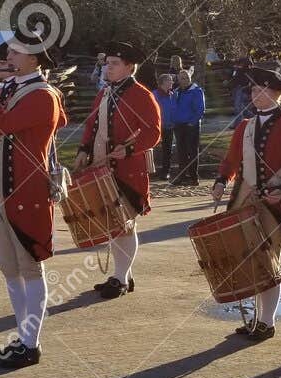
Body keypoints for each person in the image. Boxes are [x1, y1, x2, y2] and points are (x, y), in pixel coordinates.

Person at [0, 37, 69, 369]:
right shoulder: (12, 88)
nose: (7, 56)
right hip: (3, 186)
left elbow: (2, 123)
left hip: (27, 190)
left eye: (15, 52)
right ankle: (22, 337)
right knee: (11, 269)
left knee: (29, 266)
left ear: (34, 59)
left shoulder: (42, 94)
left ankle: (32, 343)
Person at [210, 62, 281, 339]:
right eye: (253, 88)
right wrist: (222, 181)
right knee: (250, 261)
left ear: (278, 93)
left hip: (277, 205)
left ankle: (267, 322)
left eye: (261, 88)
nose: (255, 93)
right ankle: (256, 319)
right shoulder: (245, 126)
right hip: (245, 201)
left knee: (269, 262)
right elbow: (231, 160)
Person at [73, 42, 162, 299]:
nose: (107, 68)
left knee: (125, 224)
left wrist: (130, 148)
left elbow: (154, 132)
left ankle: (120, 278)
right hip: (103, 166)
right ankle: (124, 274)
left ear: (129, 67)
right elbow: (92, 124)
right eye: (107, 63)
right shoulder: (104, 93)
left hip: (129, 169)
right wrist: (83, 149)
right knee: (113, 223)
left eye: (114, 64)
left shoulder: (142, 95)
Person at [169, 68, 206, 185]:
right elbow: (173, 108)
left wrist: (192, 122)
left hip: (191, 125)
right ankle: (182, 176)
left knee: (192, 151)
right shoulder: (176, 92)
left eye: (186, 78)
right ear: (178, 80)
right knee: (181, 152)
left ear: (190, 78)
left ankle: (194, 177)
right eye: (181, 78)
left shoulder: (196, 91)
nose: (184, 80)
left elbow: (200, 109)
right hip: (178, 125)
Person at [152, 73, 178, 181]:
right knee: (151, 149)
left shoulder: (173, 95)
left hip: (169, 127)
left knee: (167, 150)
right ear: (162, 82)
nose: (172, 82)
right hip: (156, 127)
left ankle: (165, 172)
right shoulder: (155, 94)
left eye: (172, 80)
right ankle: (149, 170)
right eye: (169, 80)